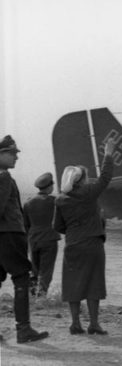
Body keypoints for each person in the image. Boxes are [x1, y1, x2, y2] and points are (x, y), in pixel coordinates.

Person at [53, 138, 116, 336]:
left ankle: (75, 323)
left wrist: (74, 231)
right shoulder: (88, 193)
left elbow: (57, 226)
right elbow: (105, 178)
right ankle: (94, 324)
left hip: (72, 244)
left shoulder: (61, 199)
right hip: (93, 243)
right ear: (80, 179)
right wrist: (108, 154)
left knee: (73, 283)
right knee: (94, 283)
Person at [0, 135, 49, 343]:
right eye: (12, 153)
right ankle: (23, 329)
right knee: (21, 278)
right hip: (9, 234)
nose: (16, 157)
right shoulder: (4, 177)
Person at [23, 172, 61, 297]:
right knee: (46, 271)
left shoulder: (28, 203)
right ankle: (42, 295)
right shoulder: (54, 201)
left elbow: (26, 225)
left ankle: (32, 294)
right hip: (49, 239)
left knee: (34, 269)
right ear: (49, 186)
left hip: (33, 239)